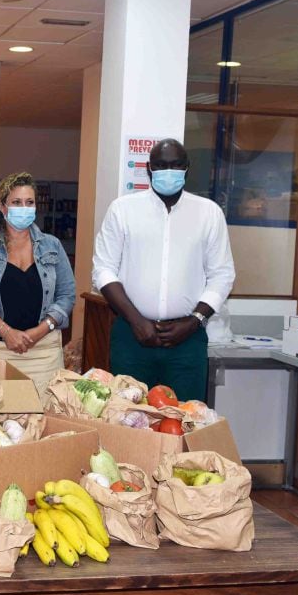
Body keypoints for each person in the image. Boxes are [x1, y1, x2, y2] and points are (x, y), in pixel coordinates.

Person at [92, 138, 235, 402]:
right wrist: (136, 321)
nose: (168, 171)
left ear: (187, 168)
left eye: (175, 165)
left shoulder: (209, 214)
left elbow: (223, 275)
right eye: (160, 165)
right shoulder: (123, 210)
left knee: (186, 418)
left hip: (187, 340)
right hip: (131, 336)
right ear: (149, 169)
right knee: (127, 419)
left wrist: (195, 321)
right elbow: (103, 270)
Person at [0, 172, 76, 394]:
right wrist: (6, 331)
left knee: (45, 419)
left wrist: (40, 331)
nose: (24, 208)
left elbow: (67, 295)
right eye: (16, 202)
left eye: (29, 202)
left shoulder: (52, 245)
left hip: (44, 352)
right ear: (2, 207)